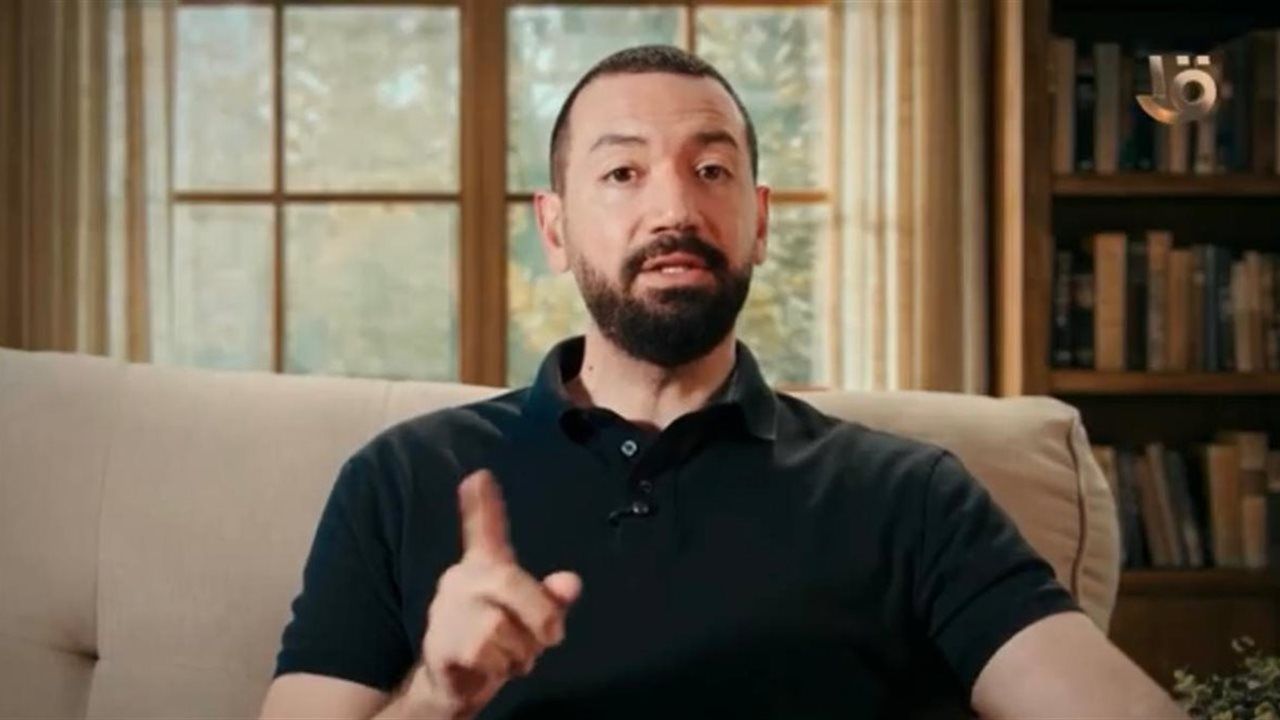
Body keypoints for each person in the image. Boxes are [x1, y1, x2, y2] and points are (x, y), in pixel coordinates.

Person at [259, 45, 1187, 720]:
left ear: (759, 221)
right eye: (623, 172)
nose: (674, 206)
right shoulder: (404, 478)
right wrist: (436, 697)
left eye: (712, 170)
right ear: (555, 229)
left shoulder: (910, 495)